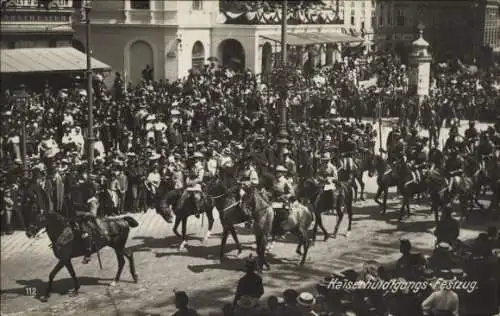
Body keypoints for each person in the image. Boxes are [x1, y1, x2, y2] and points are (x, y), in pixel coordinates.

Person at [177, 152, 205, 217]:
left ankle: (197, 210)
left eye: (196, 158)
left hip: (197, 185)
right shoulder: (191, 166)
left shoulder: (201, 168)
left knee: (196, 197)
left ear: (199, 159)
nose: (195, 160)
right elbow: (189, 176)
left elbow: (200, 179)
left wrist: (192, 182)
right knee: (183, 195)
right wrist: (187, 181)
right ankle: (180, 208)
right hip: (189, 184)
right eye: (194, 158)